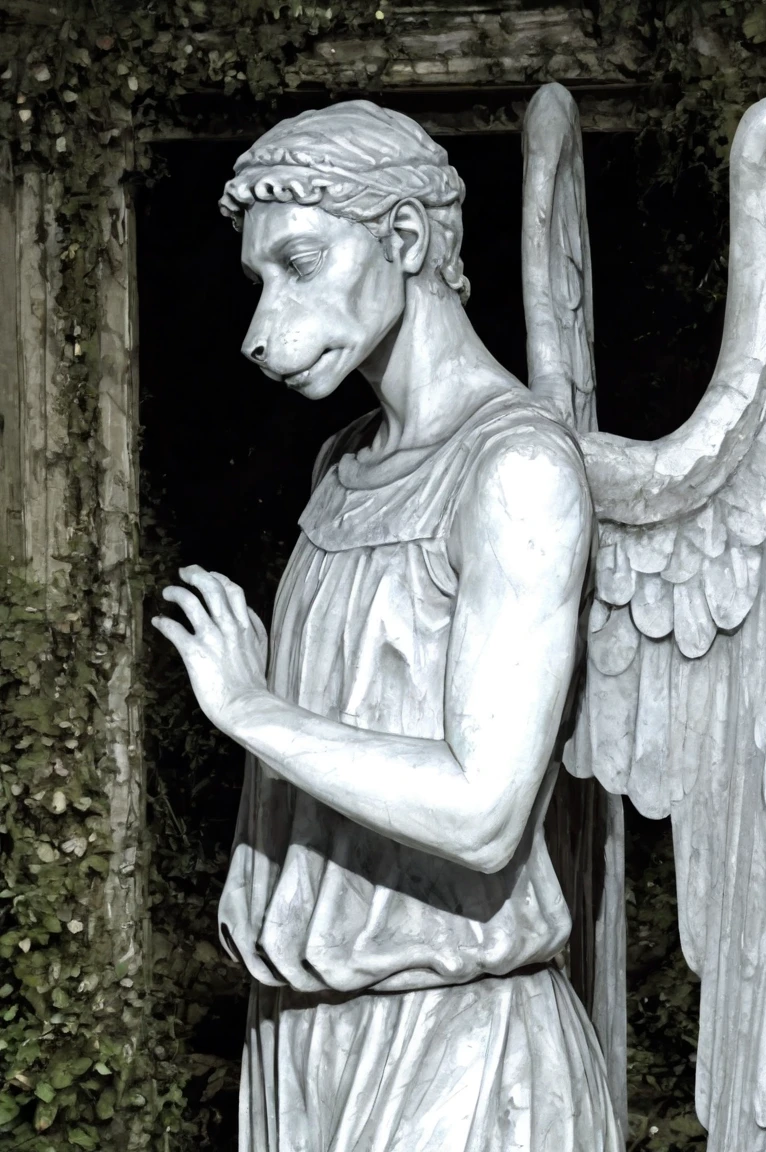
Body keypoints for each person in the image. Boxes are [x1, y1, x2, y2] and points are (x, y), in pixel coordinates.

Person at [152, 99, 623, 1152]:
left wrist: (249, 708)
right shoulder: (343, 466)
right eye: (259, 280)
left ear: (405, 237)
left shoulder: (517, 470)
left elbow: (482, 812)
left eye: (300, 265)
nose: (260, 331)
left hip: (456, 1049)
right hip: (299, 1038)